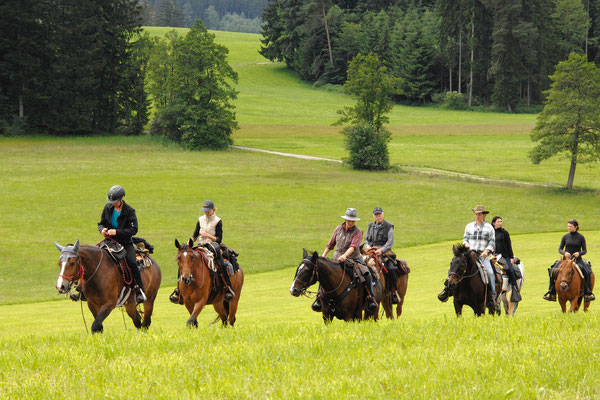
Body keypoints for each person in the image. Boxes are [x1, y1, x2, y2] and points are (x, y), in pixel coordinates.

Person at [313, 208, 378, 312]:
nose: (350, 223)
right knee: (323, 271)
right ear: (345, 219)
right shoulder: (338, 229)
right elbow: (330, 244)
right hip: (336, 259)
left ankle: (370, 298)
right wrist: (323, 255)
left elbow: (353, 247)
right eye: (349, 220)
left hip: (353, 259)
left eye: (352, 221)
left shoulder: (358, 232)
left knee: (367, 274)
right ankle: (319, 299)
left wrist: (345, 255)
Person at [169, 200, 234, 304]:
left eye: (208, 211)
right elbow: (195, 233)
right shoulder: (200, 219)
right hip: (200, 245)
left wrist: (207, 235)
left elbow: (219, 239)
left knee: (221, 263)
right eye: (205, 211)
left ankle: (227, 288)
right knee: (184, 261)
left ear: (213, 209)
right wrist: (190, 242)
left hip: (212, 245)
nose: (206, 213)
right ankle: (179, 291)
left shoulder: (218, 221)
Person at [438, 205, 496, 308]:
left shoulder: (489, 227)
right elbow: (465, 239)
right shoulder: (469, 226)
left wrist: (487, 251)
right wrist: (466, 245)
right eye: (476, 214)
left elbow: (492, 242)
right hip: (470, 255)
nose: (477, 216)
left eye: (479, 214)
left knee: (490, 273)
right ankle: (447, 290)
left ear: (484, 215)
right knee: (454, 267)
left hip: (483, 256)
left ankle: (491, 297)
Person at [98, 185, 146, 304]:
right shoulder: (107, 208)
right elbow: (101, 223)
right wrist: (102, 229)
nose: (113, 203)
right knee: (95, 256)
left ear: (121, 200)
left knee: (132, 262)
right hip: (110, 242)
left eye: (115, 201)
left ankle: (139, 289)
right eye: (111, 201)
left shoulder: (130, 211)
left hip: (125, 243)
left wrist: (117, 232)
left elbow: (133, 230)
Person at [544, 219, 595, 302]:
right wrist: (564, 253)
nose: (569, 228)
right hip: (565, 260)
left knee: (587, 272)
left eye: (570, 226)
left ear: (576, 227)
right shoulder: (565, 236)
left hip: (577, 260)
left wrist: (579, 253)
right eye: (568, 226)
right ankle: (552, 292)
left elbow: (585, 250)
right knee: (552, 271)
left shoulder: (581, 237)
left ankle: (588, 293)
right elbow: (560, 249)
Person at [364, 206, 399, 304]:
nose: (378, 216)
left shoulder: (389, 226)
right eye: (376, 215)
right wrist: (367, 247)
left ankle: (393, 292)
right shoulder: (370, 225)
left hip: (384, 252)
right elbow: (366, 239)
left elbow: (390, 241)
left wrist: (382, 250)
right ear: (373, 216)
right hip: (371, 251)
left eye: (379, 214)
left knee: (391, 268)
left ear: (383, 214)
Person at [491, 216, 520, 300]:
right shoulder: (490, 232)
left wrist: (511, 257)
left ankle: (515, 290)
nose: (500, 223)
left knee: (510, 270)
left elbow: (509, 245)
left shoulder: (505, 233)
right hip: (493, 256)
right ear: (493, 223)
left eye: (501, 221)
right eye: (498, 222)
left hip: (504, 255)